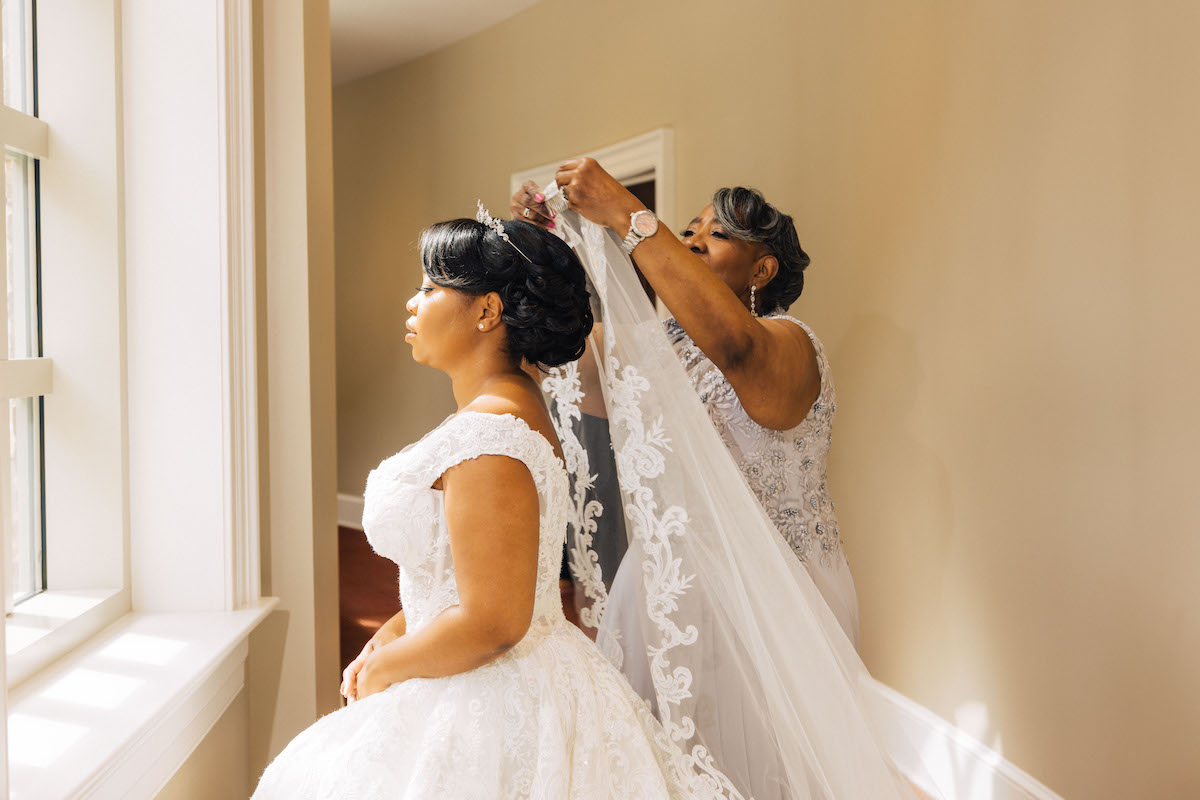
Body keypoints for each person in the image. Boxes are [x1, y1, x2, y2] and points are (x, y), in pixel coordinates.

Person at [252, 210, 722, 799]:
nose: (412, 303)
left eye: (430, 287)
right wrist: (397, 629)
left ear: (487, 311)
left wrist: (383, 671)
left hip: (489, 694)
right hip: (492, 664)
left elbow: (495, 621)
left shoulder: (491, 436)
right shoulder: (508, 409)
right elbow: (471, 571)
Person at [512, 162, 859, 646]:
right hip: (672, 587)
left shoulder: (792, 342)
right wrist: (533, 246)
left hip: (776, 593)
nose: (693, 242)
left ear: (762, 270)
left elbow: (738, 350)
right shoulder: (658, 347)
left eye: (717, 234)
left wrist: (624, 210)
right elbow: (546, 354)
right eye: (689, 231)